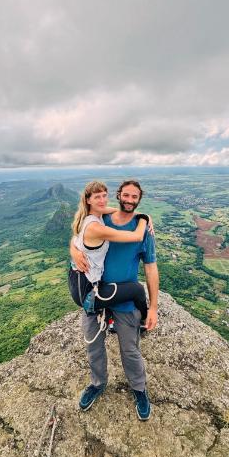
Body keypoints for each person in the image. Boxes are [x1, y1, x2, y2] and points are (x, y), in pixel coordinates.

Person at [70, 179, 159, 421]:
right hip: (96, 294)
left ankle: (139, 389)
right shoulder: (102, 220)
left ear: (138, 200)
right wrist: (74, 251)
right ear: (119, 195)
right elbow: (78, 235)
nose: (130, 200)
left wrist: (153, 308)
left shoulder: (145, 233)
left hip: (123, 301)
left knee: (130, 350)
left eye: (135, 197)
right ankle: (98, 384)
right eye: (126, 195)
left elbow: (151, 269)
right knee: (93, 347)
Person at [68, 180, 150, 330]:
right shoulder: (95, 227)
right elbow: (137, 236)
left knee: (112, 281)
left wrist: (141, 214)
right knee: (137, 290)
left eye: (104, 195)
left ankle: (109, 318)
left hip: (80, 281)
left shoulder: (93, 215)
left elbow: (75, 239)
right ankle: (144, 321)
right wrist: (144, 219)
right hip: (88, 293)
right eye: (97, 197)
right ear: (88, 200)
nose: (102, 200)